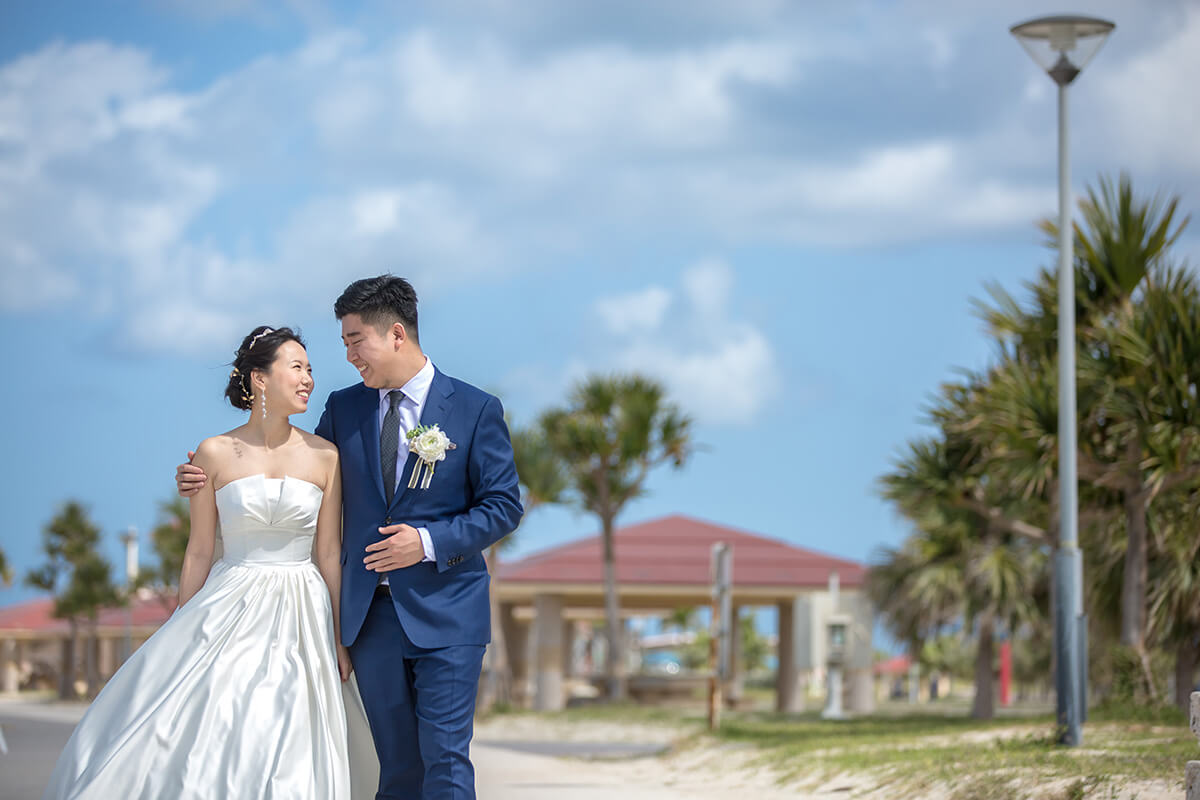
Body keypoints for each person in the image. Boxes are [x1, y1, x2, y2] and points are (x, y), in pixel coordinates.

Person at [177, 276, 523, 800]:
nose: (348, 355)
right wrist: (205, 477)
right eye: (343, 343)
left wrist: (426, 542)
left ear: (397, 334)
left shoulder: (476, 410)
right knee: (394, 769)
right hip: (369, 622)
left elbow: (503, 507)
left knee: (446, 761)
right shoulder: (344, 409)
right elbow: (289, 464)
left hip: (449, 613)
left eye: (355, 340)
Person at [44, 326, 378, 799]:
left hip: (303, 610)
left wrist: (340, 641)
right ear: (260, 379)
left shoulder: (326, 456)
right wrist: (184, 622)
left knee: (291, 728)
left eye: (310, 370)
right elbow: (200, 548)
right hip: (230, 601)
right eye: (297, 367)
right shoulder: (212, 453)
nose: (308, 379)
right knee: (223, 721)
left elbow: (328, 551)